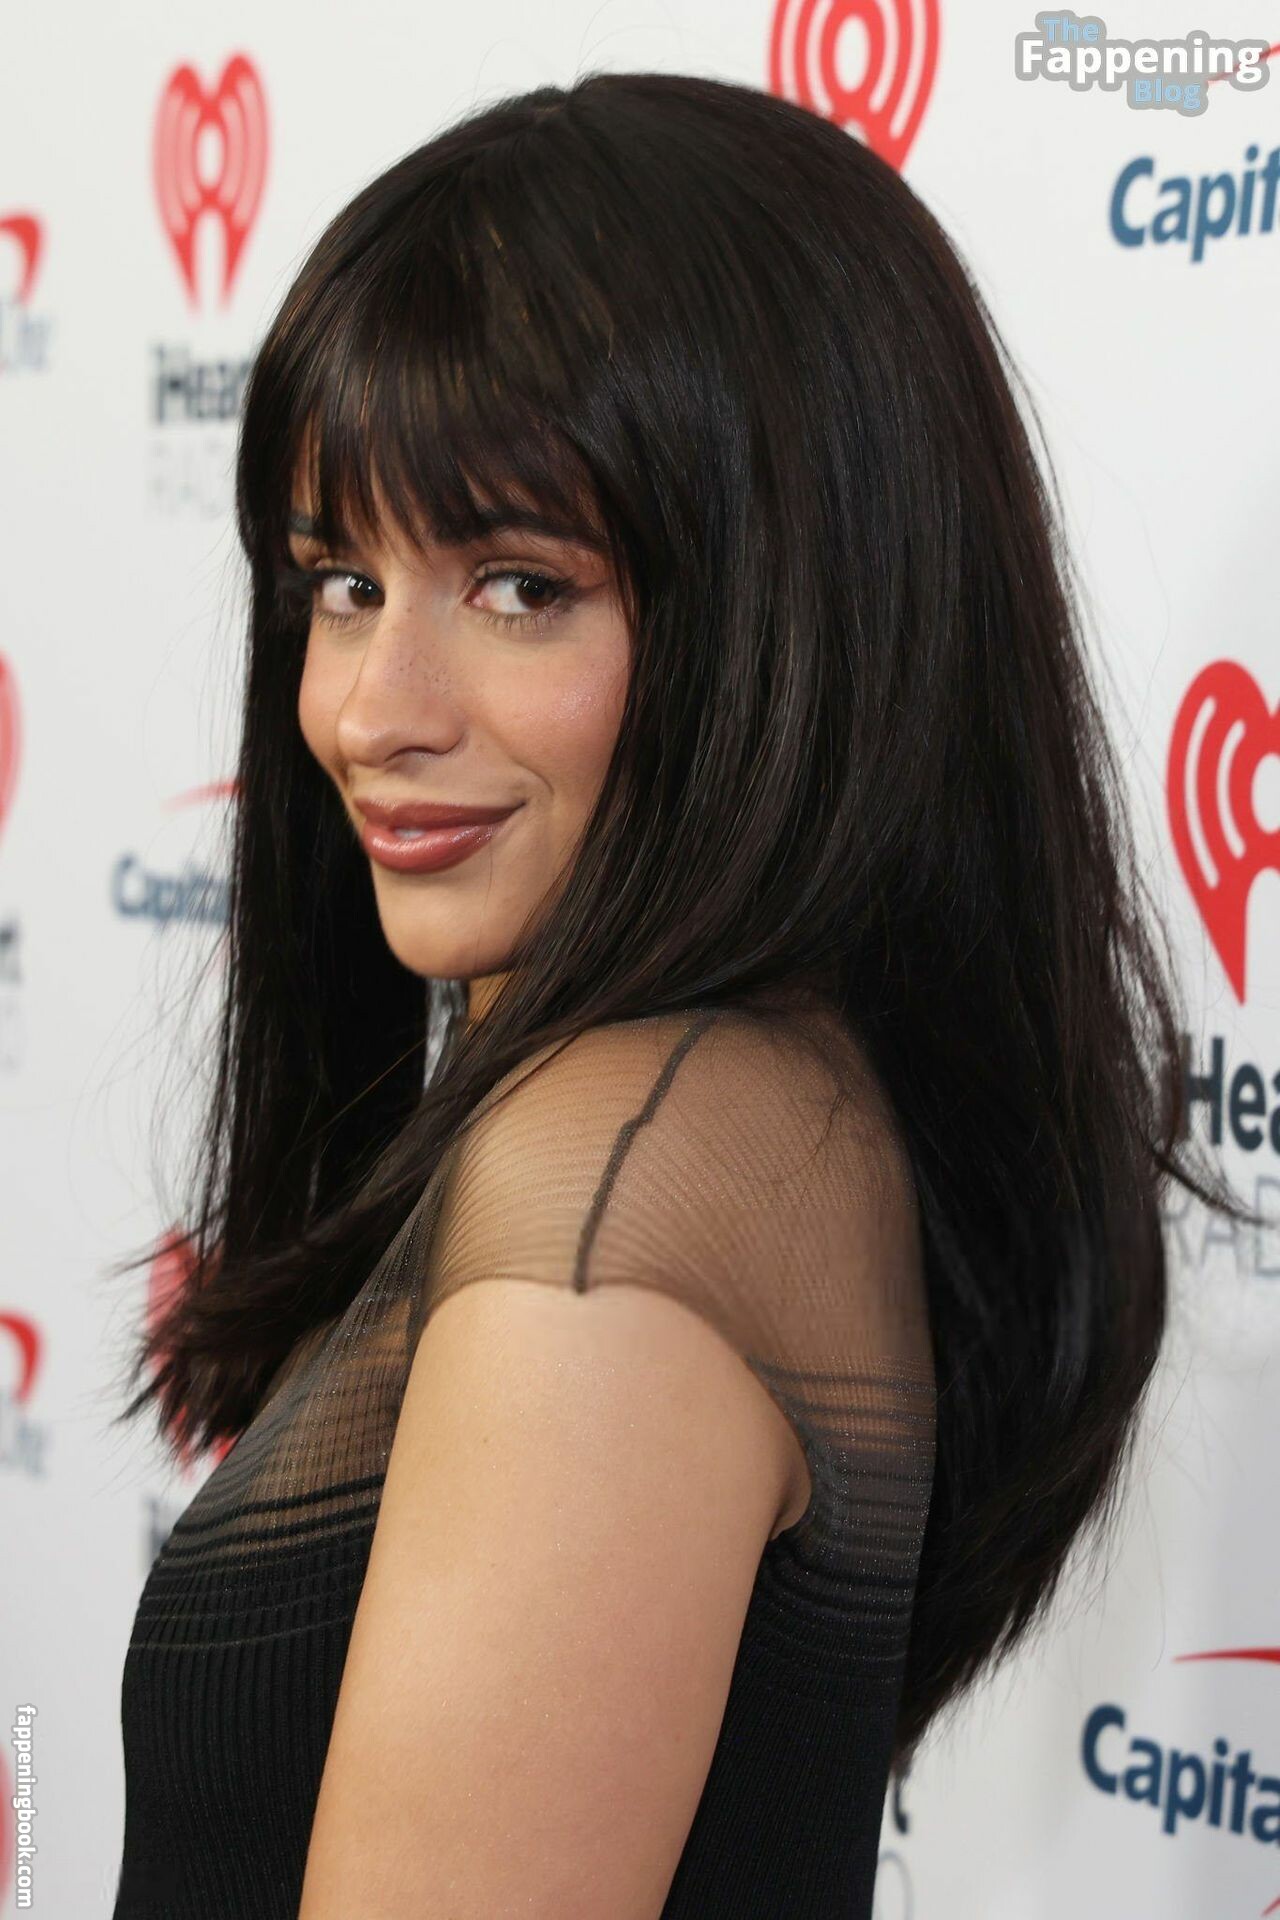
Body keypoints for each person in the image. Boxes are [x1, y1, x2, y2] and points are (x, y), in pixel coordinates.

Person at [106, 69, 1256, 1919]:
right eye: (341, 582)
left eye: (516, 585)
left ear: (783, 604)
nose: (372, 711)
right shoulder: (742, 1102)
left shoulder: (624, 1171)